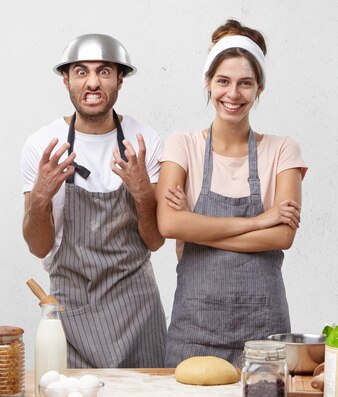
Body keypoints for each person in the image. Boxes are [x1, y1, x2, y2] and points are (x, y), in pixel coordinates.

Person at [157, 20, 308, 367]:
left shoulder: (283, 150)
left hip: (264, 332)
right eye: (223, 81)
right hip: (192, 333)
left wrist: (196, 227)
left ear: (260, 88)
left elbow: (283, 235)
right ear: (208, 83)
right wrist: (259, 222)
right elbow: (167, 224)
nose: (233, 94)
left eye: (245, 83)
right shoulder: (183, 146)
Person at [21, 34, 166, 368]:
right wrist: (40, 196)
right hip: (72, 315)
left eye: (103, 72)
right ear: (66, 79)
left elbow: (155, 241)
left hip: (138, 312)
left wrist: (143, 193)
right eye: (81, 72)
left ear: (120, 79)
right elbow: (38, 247)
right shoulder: (42, 144)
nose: (92, 83)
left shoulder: (144, 140)